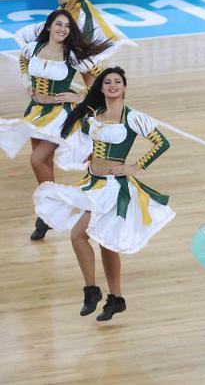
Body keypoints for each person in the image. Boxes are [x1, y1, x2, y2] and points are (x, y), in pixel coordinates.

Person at [35, 67, 174, 321]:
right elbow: (90, 140)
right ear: (101, 88)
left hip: (112, 189)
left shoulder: (132, 117)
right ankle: (116, 299)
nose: (112, 85)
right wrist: (91, 156)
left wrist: (135, 166)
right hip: (93, 184)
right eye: (107, 82)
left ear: (124, 87)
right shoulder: (95, 115)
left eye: (117, 81)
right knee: (106, 243)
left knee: (78, 235)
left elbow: (161, 143)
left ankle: (91, 290)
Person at [0, 9, 114, 241]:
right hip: (35, 113)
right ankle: (46, 216)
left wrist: (79, 96)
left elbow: (98, 81)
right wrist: (27, 83)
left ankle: (52, 210)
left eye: (67, 26)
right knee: (45, 163)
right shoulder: (33, 48)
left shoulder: (72, 55)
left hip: (60, 116)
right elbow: (23, 59)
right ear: (49, 26)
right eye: (59, 24)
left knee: (36, 159)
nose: (63, 29)